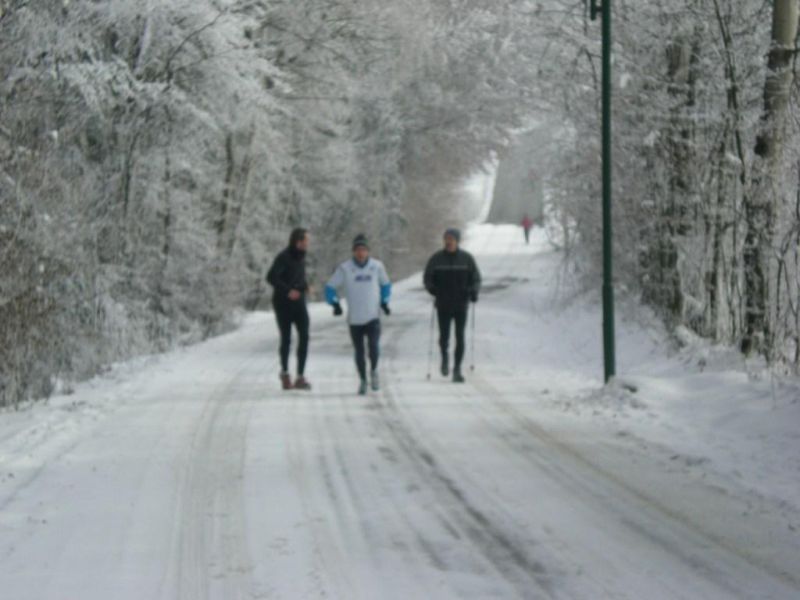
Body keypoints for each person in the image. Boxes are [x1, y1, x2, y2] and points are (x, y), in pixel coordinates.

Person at [326, 234, 392, 395]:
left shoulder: (377, 266)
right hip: (355, 318)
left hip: (373, 316)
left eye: (363, 250)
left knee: (374, 347)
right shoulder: (345, 268)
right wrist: (335, 304)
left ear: (368, 251)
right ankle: (363, 379)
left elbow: (386, 285)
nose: (361, 253)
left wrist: (384, 301)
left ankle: (374, 371)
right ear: (353, 251)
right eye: (357, 250)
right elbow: (329, 287)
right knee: (359, 351)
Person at [423, 228, 481, 383]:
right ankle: (444, 359)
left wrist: (473, 292)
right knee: (444, 337)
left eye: (452, 239)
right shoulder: (436, 259)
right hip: (443, 304)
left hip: (461, 304)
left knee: (460, 336)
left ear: (457, 241)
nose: (449, 242)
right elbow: (427, 278)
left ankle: (457, 370)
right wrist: (433, 290)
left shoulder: (467, 259)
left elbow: (476, 278)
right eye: (446, 239)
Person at [266, 228, 312, 391]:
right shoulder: (284, 257)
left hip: (299, 303)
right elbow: (271, 276)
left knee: (305, 336)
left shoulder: (302, 257)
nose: (308, 243)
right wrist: (288, 290)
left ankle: (300, 376)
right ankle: (285, 374)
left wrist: (304, 286)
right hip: (283, 303)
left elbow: (297, 276)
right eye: (305, 240)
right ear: (297, 241)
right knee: (286, 338)